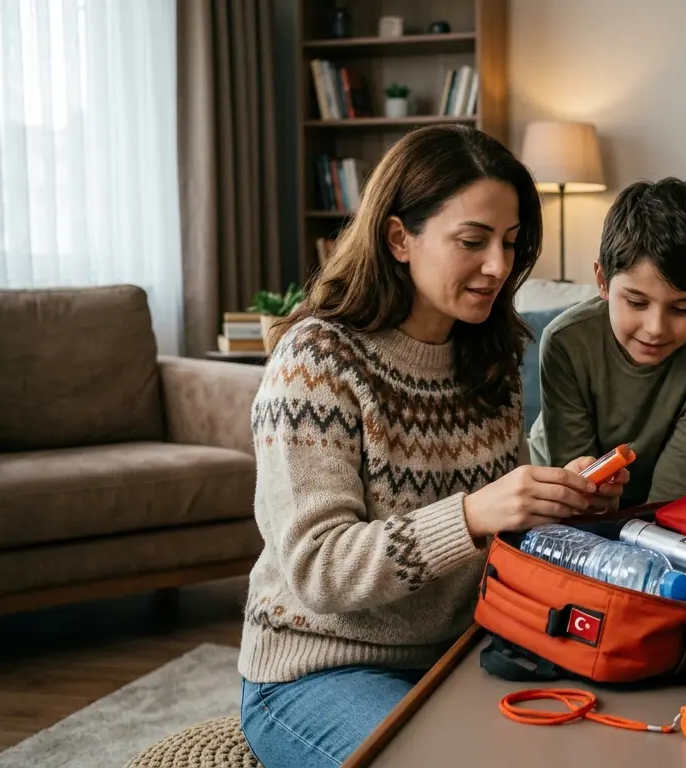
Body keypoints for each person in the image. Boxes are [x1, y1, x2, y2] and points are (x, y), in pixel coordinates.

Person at [237, 125, 627, 768]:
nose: (499, 267)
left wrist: (561, 495)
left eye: (509, 243)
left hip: (462, 651)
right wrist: (476, 513)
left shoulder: (489, 357)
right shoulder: (316, 362)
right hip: (318, 671)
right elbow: (318, 568)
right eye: (472, 242)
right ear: (399, 238)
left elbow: (497, 534)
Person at [529, 177, 686, 509]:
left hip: (651, 508)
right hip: (562, 499)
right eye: (637, 303)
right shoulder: (565, 341)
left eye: (682, 309)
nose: (655, 329)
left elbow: (676, 486)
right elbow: (578, 476)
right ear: (602, 281)